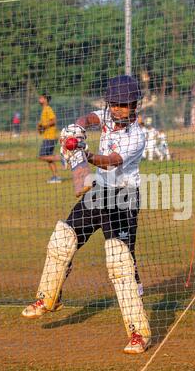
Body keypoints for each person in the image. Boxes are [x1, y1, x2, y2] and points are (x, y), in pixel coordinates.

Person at [22, 76, 152, 355]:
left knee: (120, 264)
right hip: (98, 191)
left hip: (123, 198)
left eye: (123, 105)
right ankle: (48, 298)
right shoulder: (107, 113)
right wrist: (77, 128)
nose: (117, 110)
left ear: (134, 105)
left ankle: (139, 333)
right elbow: (90, 117)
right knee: (62, 239)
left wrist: (85, 152)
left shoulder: (137, 136)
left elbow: (112, 162)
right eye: (114, 104)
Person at [38, 94, 62, 184]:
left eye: (41, 98)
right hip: (48, 136)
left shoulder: (48, 109)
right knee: (49, 158)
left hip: (50, 137)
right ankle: (56, 177)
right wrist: (40, 127)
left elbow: (54, 120)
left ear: (45, 99)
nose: (39, 99)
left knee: (41, 156)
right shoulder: (44, 110)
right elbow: (43, 126)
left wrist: (43, 125)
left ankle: (62, 158)